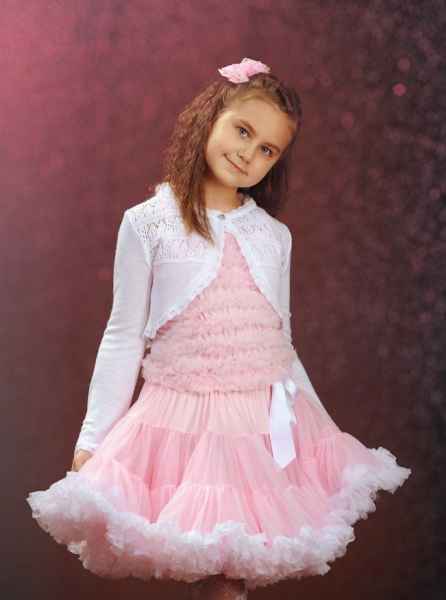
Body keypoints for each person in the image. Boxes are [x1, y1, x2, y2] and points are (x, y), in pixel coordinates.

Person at [26, 58, 411, 599]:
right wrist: (93, 438)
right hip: (179, 421)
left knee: (234, 573)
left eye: (267, 150)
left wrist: (324, 437)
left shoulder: (274, 237)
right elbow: (123, 335)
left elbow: (280, 342)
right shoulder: (149, 223)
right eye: (243, 131)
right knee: (209, 563)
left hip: (259, 423)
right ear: (210, 118)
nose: (249, 154)